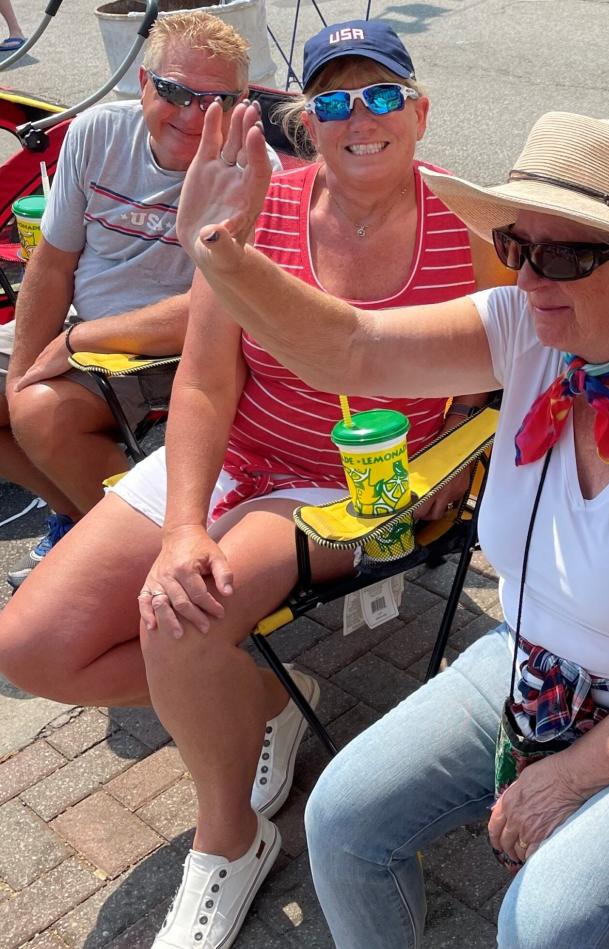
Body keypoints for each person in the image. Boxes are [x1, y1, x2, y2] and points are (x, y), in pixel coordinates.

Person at [163, 104, 609, 946]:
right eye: (515, 245)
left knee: (545, 921)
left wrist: (576, 773)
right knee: (340, 816)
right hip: (536, 666)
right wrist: (222, 253)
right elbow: (353, 347)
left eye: (561, 254)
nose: (525, 277)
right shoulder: (529, 330)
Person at [0, 20, 506, 949]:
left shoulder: (466, 227)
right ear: (308, 122)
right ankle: (264, 698)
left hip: (353, 482)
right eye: (338, 101)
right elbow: (203, 378)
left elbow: (499, 369)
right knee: (33, 648)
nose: (363, 118)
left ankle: (228, 837)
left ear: (420, 112)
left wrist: (464, 454)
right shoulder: (263, 206)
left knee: (179, 619)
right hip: (239, 452)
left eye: (384, 95)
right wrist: (184, 522)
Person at [0, 10, 264, 590]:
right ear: (144, 85)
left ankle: (136, 557)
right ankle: (81, 517)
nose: (194, 114)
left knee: (42, 414)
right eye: (174, 91)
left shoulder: (247, 168)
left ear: (241, 103)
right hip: (88, 329)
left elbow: (212, 309)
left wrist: (74, 342)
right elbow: (51, 261)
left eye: (215, 100)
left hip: (178, 350)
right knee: (20, 403)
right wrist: (23, 371)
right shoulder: (98, 132)